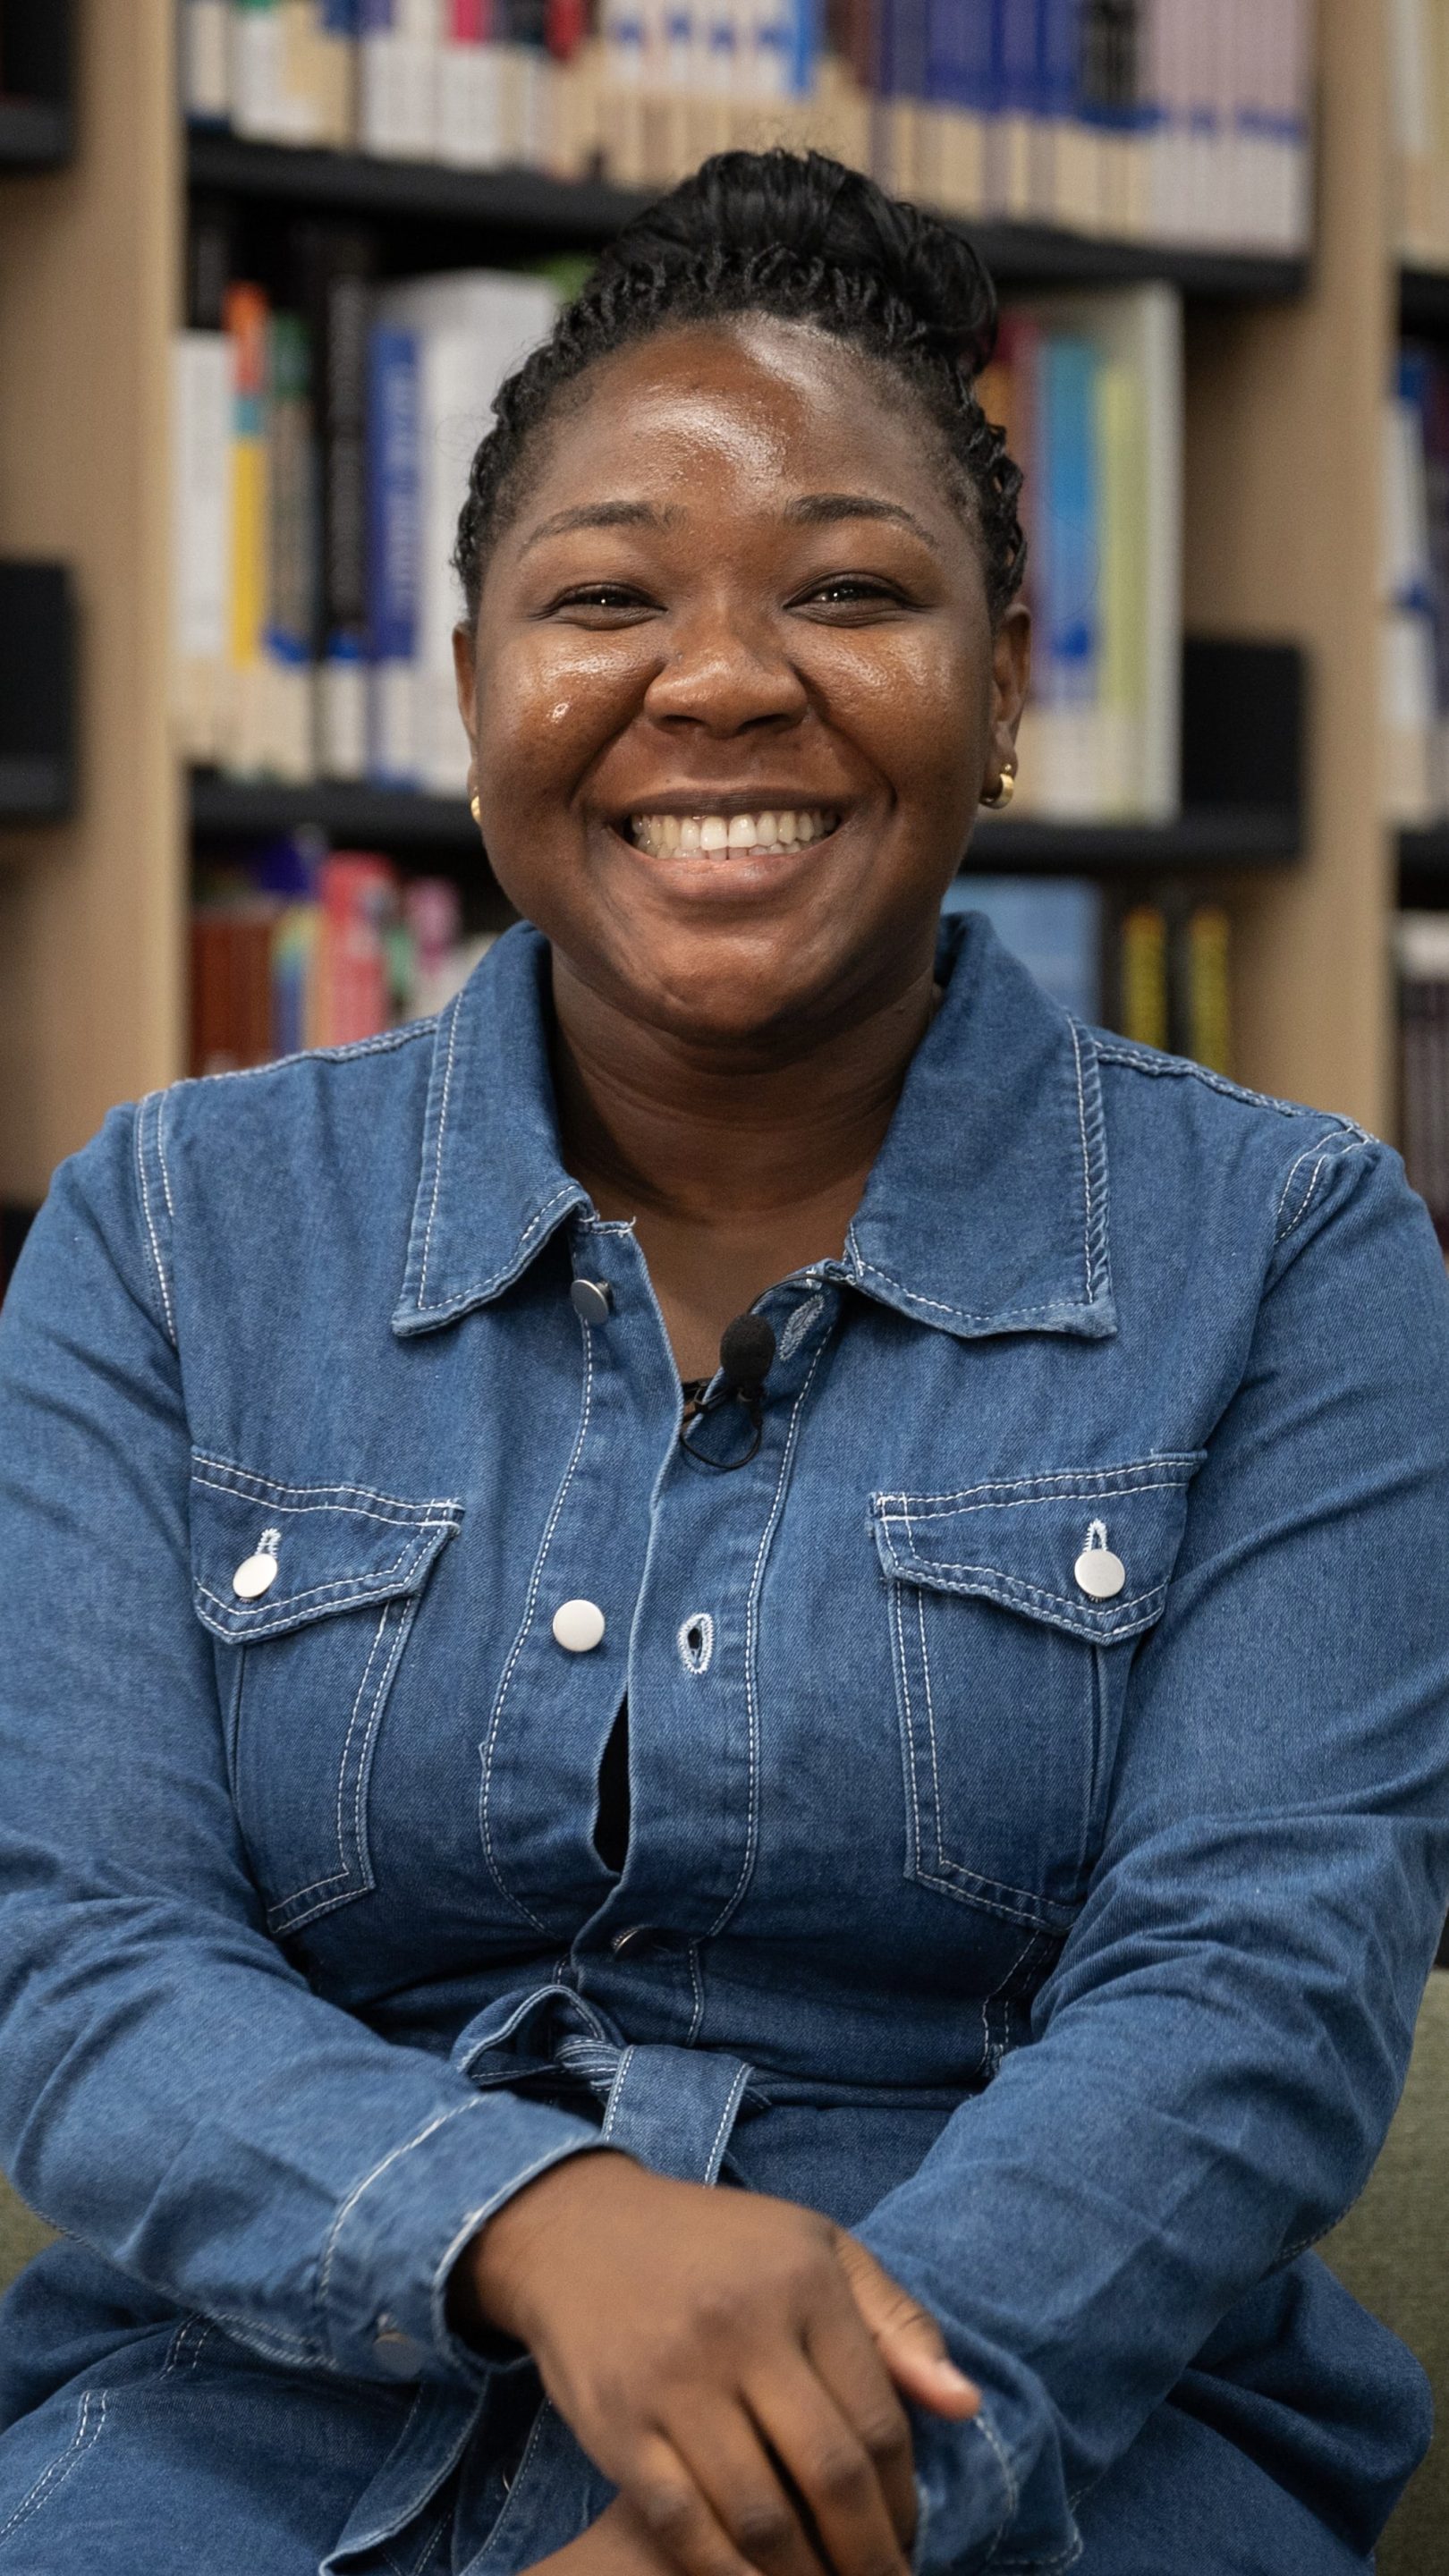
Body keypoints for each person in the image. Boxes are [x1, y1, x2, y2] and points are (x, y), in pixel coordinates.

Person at [1, 148, 1447, 2576]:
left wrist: (751, 2518)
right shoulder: (166, 1233)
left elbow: (1246, 2005)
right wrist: (544, 2227)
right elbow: (83, 1957)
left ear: (999, 686)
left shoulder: (1293, 1250)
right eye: (600, 601)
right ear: (476, 693)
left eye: (850, 593)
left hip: (1031, 2449)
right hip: (252, 2427)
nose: (718, 680)